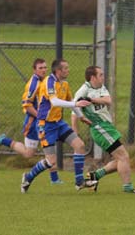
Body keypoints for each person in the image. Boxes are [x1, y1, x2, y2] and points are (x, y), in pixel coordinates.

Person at [20, 58, 97, 193]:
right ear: (58, 71)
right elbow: (54, 101)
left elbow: (71, 101)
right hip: (45, 125)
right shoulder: (49, 82)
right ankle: (28, 177)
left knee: (79, 145)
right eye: (65, 68)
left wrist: (81, 117)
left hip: (59, 123)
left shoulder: (64, 84)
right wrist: (75, 104)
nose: (68, 70)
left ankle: (79, 182)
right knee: (51, 162)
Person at [0, 58, 62, 184]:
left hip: (44, 122)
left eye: (45, 67)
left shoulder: (46, 80)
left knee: (49, 146)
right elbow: (27, 105)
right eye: (40, 68)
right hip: (33, 123)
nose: (44, 70)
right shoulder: (33, 84)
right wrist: (40, 116)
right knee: (29, 153)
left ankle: (54, 179)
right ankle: (4, 140)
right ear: (34, 70)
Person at [71, 65, 135, 194]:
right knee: (123, 156)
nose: (103, 77)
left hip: (107, 127)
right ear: (92, 77)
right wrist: (75, 133)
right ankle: (127, 187)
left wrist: (91, 100)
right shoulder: (82, 91)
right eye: (100, 75)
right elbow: (74, 111)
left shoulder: (100, 87)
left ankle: (96, 175)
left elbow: (108, 101)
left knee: (120, 158)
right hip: (99, 127)